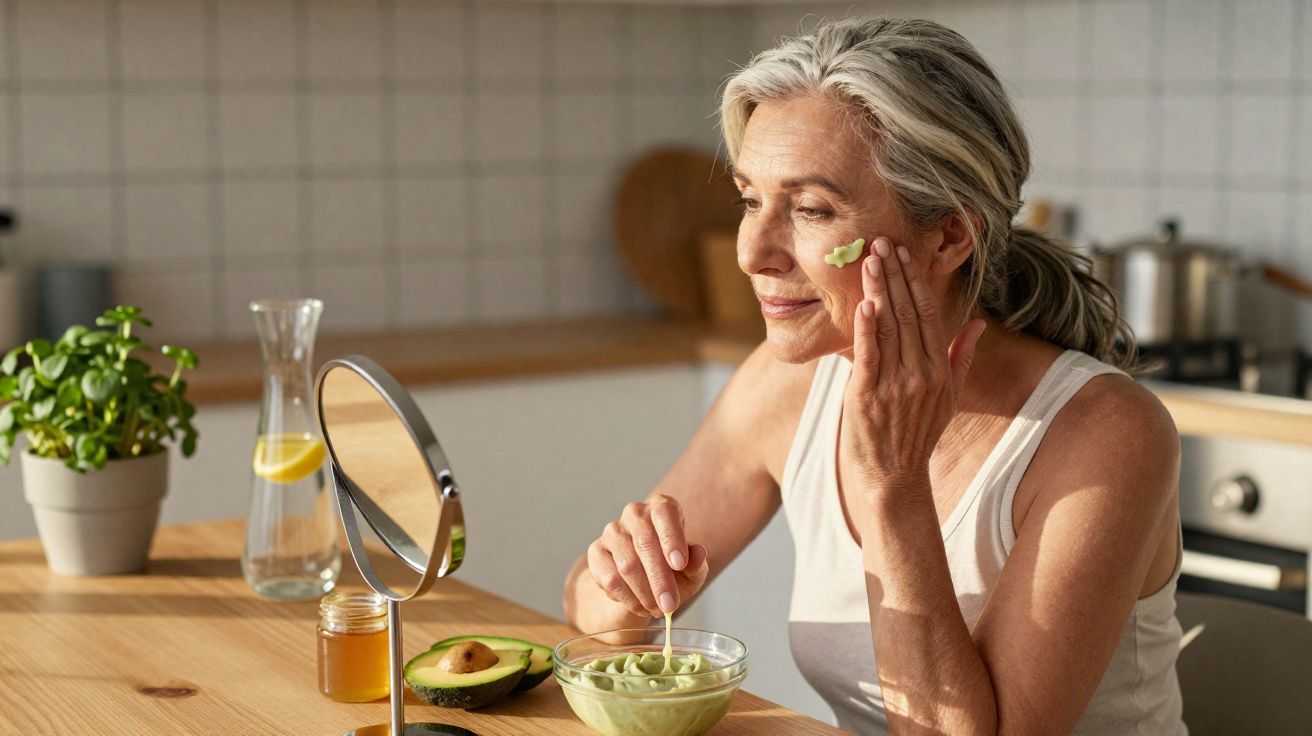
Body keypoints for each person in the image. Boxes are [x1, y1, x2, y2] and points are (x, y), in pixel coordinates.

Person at [563, 16, 1185, 735]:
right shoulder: (790, 383)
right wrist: (628, 588)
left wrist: (894, 489)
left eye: (812, 209)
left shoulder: (1106, 435)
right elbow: (587, 606)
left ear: (950, 234)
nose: (753, 252)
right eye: (749, 199)